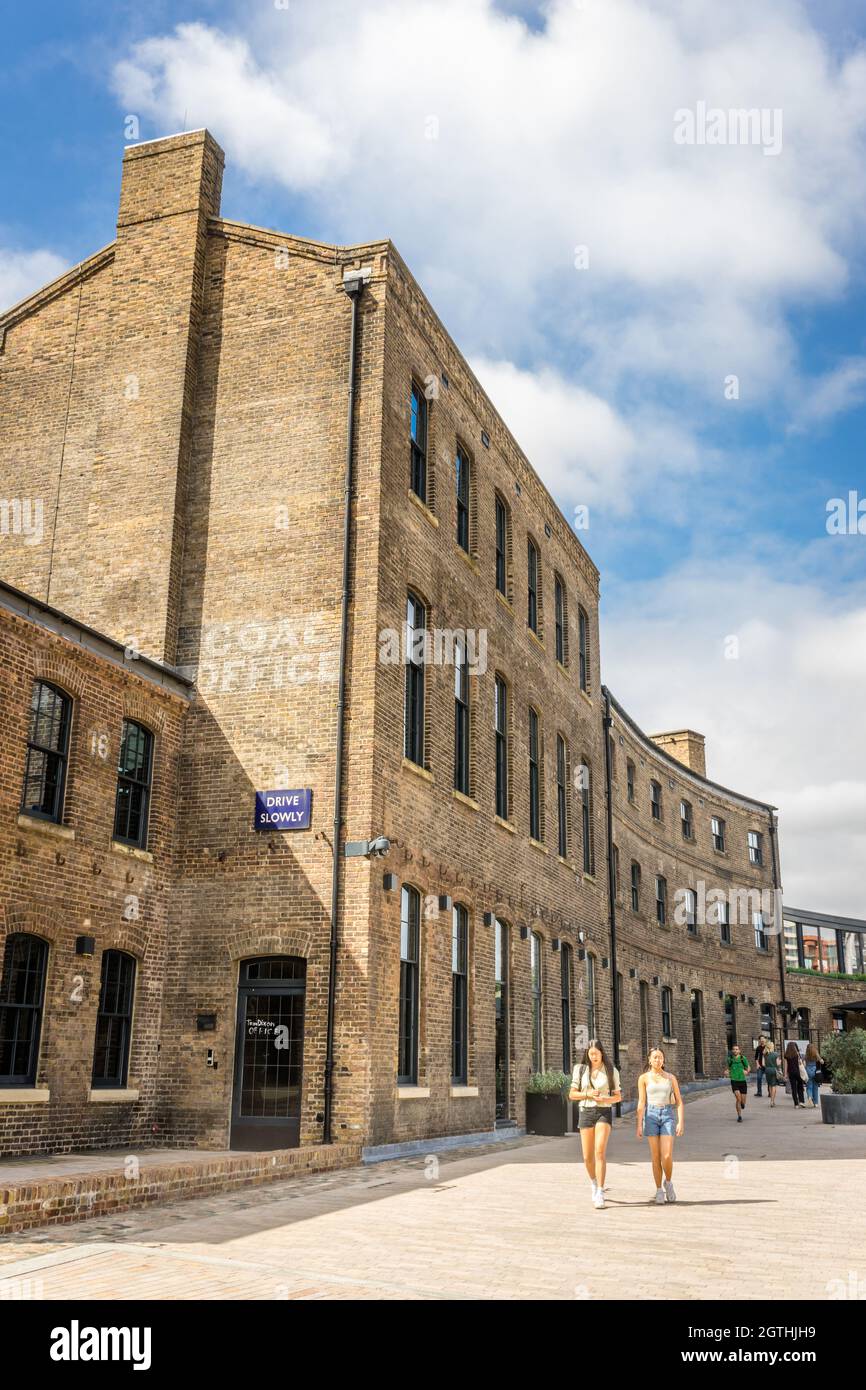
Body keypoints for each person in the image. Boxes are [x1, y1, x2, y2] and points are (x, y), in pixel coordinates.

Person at [569, 1039, 622, 1209]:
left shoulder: (611, 1071)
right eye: (590, 1054)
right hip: (586, 1111)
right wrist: (588, 1094)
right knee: (586, 1156)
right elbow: (572, 1095)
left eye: (596, 1054)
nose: (593, 1057)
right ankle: (593, 1182)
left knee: (599, 1151)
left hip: (603, 1112)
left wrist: (604, 1098)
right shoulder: (580, 1069)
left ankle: (600, 1191)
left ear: (602, 1053)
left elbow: (618, 1097)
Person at [636, 1046, 685, 1204]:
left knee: (666, 1155)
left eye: (660, 1057)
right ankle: (658, 1190)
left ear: (664, 1060)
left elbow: (679, 1102)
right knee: (655, 1156)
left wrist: (680, 1122)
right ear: (649, 1060)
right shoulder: (644, 1078)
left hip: (667, 1115)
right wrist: (639, 1124)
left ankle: (668, 1182)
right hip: (650, 1116)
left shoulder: (671, 1078)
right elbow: (642, 1102)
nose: (658, 1060)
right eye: (655, 1057)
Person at [726, 1044, 750, 1121]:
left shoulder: (743, 1058)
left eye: (737, 1049)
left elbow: (748, 1067)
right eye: (734, 1049)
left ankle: (742, 1104)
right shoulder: (730, 1059)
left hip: (742, 1081)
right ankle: (739, 1116)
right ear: (732, 1051)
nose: (735, 1050)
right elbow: (728, 1068)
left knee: (743, 1101)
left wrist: (747, 1071)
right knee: (738, 1099)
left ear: (739, 1051)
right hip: (734, 1080)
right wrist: (726, 1072)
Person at [785, 1042, 805, 1107]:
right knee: (800, 1086)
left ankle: (796, 1104)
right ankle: (801, 1101)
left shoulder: (786, 1055)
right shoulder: (797, 1054)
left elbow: (786, 1065)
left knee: (793, 1088)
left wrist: (785, 1074)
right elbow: (801, 1063)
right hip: (798, 1072)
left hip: (791, 1073)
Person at [804, 1042, 824, 1108]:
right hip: (815, 1071)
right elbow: (822, 1061)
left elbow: (803, 1064)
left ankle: (810, 1096)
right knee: (815, 1087)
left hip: (808, 1070)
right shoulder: (816, 1053)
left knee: (809, 1086)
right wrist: (821, 1060)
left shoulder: (806, 1055)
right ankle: (816, 1103)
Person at [762, 1041, 781, 1106]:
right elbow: (778, 1064)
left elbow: (763, 1064)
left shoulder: (764, 1054)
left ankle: (771, 1100)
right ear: (772, 1046)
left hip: (767, 1070)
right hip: (773, 1070)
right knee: (774, 1085)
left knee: (770, 1085)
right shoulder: (776, 1054)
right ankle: (772, 1101)